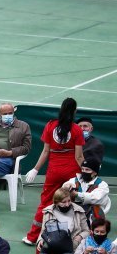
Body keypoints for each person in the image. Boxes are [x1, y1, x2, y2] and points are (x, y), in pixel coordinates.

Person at [23, 97, 84, 245]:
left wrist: (35, 169)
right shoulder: (76, 129)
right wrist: (85, 173)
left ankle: (32, 237)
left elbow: (45, 152)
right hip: (71, 171)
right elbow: (79, 156)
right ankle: (70, 237)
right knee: (71, 202)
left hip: (54, 170)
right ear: (74, 111)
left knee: (45, 202)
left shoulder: (50, 126)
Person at [62, 157, 110, 223]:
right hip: (75, 212)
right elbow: (66, 185)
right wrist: (66, 186)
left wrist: (77, 194)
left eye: (87, 170)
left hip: (93, 214)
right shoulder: (74, 180)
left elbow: (94, 198)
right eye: (82, 169)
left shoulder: (102, 185)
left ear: (95, 172)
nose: (84, 171)